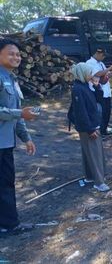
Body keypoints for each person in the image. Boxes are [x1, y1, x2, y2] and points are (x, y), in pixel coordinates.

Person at [0, 39, 38, 233]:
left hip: (6, 143)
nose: (16, 57)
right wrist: (20, 114)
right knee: (4, 184)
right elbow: (16, 112)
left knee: (5, 183)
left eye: (18, 54)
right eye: (11, 53)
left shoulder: (11, 79)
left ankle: (7, 223)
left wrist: (26, 138)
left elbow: (17, 112)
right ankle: (9, 224)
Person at [68, 62, 110, 192]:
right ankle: (99, 182)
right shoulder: (77, 89)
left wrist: (97, 87)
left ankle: (90, 176)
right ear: (82, 73)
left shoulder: (86, 86)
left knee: (89, 152)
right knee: (94, 153)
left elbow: (98, 100)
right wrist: (90, 128)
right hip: (88, 126)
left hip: (91, 123)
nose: (91, 75)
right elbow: (80, 112)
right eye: (89, 73)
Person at [85, 48, 112, 136]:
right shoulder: (89, 63)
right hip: (97, 91)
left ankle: (104, 130)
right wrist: (109, 68)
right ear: (98, 54)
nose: (103, 58)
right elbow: (98, 74)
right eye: (103, 55)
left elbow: (107, 75)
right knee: (101, 112)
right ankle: (100, 131)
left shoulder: (101, 63)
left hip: (106, 91)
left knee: (107, 112)